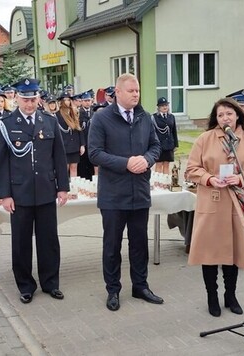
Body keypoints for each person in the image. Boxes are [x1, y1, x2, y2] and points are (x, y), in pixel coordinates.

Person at [88, 73, 163, 312]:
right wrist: (126, 163)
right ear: (117, 93)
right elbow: (94, 153)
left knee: (139, 243)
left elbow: (156, 146)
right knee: (112, 245)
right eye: (131, 91)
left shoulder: (144, 117)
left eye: (138, 91)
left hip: (139, 192)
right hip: (113, 195)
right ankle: (113, 290)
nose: (135, 95)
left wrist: (147, 159)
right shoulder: (101, 118)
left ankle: (140, 286)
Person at [185, 98, 244, 317]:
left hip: (237, 204)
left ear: (237, 115)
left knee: (231, 252)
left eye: (229, 114)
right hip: (211, 202)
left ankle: (231, 295)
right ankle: (212, 296)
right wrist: (209, 179)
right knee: (209, 254)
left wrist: (239, 178)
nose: (225, 118)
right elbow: (191, 169)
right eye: (220, 115)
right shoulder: (205, 139)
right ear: (215, 118)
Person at [0, 78, 69, 304]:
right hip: (20, 193)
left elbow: (59, 156)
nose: (30, 103)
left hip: (46, 190)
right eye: (25, 99)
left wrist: (63, 188)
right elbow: (1, 161)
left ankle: (50, 283)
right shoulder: (5, 123)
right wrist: (4, 194)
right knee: (21, 242)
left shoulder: (49, 120)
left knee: (49, 240)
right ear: (16, 98)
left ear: (39, 99)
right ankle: (25, 286)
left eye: (33, 99)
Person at [56, 93, 86, 177]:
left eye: (69, 100)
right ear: (61, 101)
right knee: (65, 168)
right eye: (65, 100)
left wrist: (82, 145)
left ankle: (74, 187)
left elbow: (79, 130)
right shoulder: (57, 115)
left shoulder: (74, 112)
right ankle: (65, 187)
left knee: (74, 168)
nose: (67, 102)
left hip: (75, 145)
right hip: (64, 145)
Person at [152, 97, 179, 175]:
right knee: (159, 164)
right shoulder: (154, 117)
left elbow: (174, 131)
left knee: (167, 165)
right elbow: (152, 132)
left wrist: (176, 145)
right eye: (162, 106)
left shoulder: (171, 117)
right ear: (158, 107)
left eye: (166, 105)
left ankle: (165, 184)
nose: (165, 107)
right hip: (159, 145)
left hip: (169, 144)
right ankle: (158, 184)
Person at [77, 91, 95, 179]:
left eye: (89, 100)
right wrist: (82, 144)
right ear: (82, 102)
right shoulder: (78, 113)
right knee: (83, 164)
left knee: (93, 163)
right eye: (85, 101)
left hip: (92, 142)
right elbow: (79, 130)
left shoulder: (94, 112)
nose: (87, 102)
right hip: (84, 141)